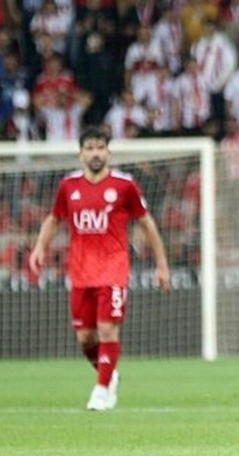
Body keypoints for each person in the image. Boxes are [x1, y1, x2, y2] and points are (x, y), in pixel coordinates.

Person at [28, 127, 170, 411]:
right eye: (90, 148)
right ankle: (109, 373)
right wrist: (39, 247)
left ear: (108, 151)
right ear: (80, 153)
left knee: (107, 330)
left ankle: (101, 391)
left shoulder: (124, 185)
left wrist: (162, 265)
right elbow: (55, 219)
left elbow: (146, 223)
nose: (95, 153)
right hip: (81, 272)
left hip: (113, 269)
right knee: (85, 339)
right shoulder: (68, 186)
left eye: (100, 147)